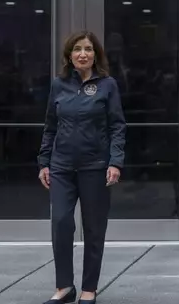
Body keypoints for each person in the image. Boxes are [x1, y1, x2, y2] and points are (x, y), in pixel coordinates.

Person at [37, 31, 126, 304]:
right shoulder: (59, 84)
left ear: (95, 55)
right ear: (69, 55)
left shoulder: (107, 85)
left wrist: (115, 161)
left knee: (94, 228)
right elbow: (50, 125)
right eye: (77, 49)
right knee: (61, 224)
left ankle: (89, 289)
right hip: (61, 166)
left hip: (95, 167)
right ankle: (64, 287)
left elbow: (117, 126)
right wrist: (44, 161)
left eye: (88, 49)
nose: (83, 54)